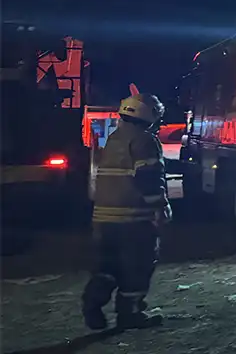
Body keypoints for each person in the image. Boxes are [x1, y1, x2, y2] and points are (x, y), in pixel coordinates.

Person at [82, 87, 171, 331]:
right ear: (150, 115)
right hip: (134, 220)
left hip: (103, 218)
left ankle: (92, 303)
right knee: (138, 265)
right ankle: (129, 314)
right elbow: (149, 177)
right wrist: (160, 207)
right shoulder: (144, 140)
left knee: (107, 266)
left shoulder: (114, 138)